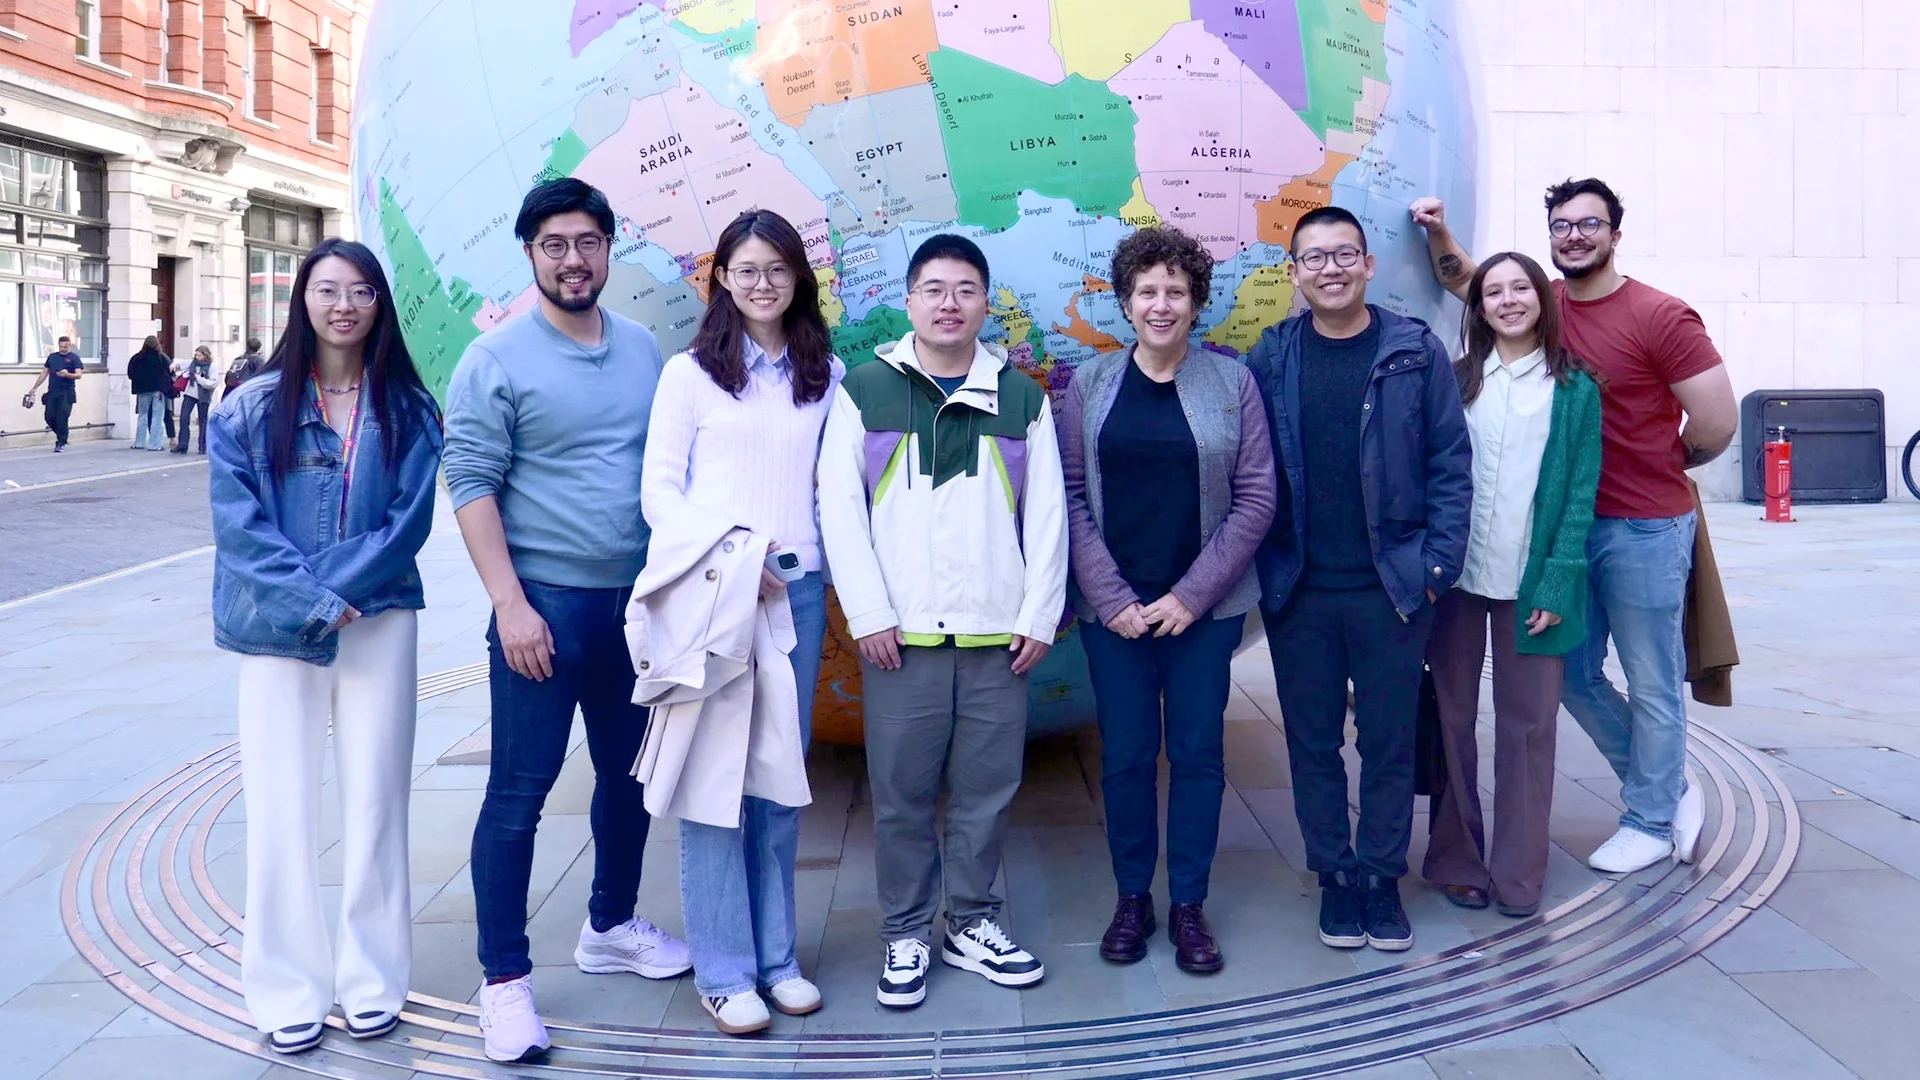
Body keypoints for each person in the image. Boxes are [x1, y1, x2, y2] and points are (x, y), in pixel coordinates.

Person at [1411, 179, 1738, 873]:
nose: (1575, 236)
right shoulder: (1544, 303)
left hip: (1642, 525)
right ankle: (1668, 785)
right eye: (1561, 225)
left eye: (1590, 224)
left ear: (1616, 233)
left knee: (1652, 676)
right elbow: (1471, 281)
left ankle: (1651, 817)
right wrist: (1438, 234)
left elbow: (1716, 423)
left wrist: (1664, 460)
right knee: (1576, 676)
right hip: (1562, 529)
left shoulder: (1661, 315)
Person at [444, 178, 690, 1064]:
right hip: (542, 611)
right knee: (520, 793)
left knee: (628, 783)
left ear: (608, 249)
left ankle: (611, 925)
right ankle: (504, 982)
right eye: (555, 244)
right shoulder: (496, 360)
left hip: (633, 611)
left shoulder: (641, 350)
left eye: (588, 242)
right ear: (529, 253)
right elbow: (469, 482)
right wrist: (510, 605)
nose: (574, 259)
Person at [817, 233, 1068, 1010]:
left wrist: (1038, 616)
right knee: (899, 795)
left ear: (984, 303)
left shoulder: (1022, 398)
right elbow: (839, 512)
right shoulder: (864, 390)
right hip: (902, 641)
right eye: (933, 288)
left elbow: (1050, 516)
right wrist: (868, 615)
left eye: (964, 289)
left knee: (987, 791)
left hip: (998, 637)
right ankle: (904, 931)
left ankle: (971, 923)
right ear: (909, 299)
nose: (949, 303)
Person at [207, 239, 443, 1056]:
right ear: (302, 299)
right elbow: (239, 531)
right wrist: (312, 599)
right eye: (328, 289)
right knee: (279, 808)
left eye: (361, 291)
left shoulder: (410, 409)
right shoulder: (247, 407)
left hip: (379, 622)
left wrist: (340, 592)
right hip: (273, 629)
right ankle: (285, 986)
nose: (344, 305)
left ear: (379, 304)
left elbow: (407, 522)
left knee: (377, 801)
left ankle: (374, 979)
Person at [632, 209, 843, 1034]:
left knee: (780, 789)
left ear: (798, 278)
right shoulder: (691, 375)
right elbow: (659, 493)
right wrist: (735, 557)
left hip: (799, 595)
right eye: (746, 269)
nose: (763, 283)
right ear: (720, 277)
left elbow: (829, 491)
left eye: (778, 269)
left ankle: (778, 959)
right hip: (718, 599)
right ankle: (724, 971)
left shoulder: (822, 371)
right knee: (715, 787)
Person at [1244, 206, 1472, 954]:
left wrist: (1436, 569)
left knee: (1388, 741)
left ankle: (1380, 876)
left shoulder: (1413, 350)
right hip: (1301, 588)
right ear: (1294, 273)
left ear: (1369, 265)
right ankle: (1335, 879)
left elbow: (1450, 463)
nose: (1331, 269)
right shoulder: (1272, 356)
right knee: (1311, 742)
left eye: (1345, 254)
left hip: (1393, 588)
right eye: (1314, 258)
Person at [1058, 226, 1275, 974]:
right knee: (1124, 758)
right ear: (1125, 302)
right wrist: (1112, 596)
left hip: (1203, 614)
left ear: (1196, 302)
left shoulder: (1233, 384)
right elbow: (1069, 495)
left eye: (1175, 291)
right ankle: (1131, 898)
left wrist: (1190, 595)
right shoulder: (1089, 385)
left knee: (1196, 756)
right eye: (1146, 291)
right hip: (1112, 614)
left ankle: (1187, 903)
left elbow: (1256, 499)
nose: (1161, 304)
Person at [1423, 252, 1601, 918]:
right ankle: (1458, 860)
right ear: (1478, 308)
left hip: (1534, 585)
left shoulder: (1575, 388)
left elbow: (1581, 491)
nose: (1506, 300)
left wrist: (1558, 583)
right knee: (1452, 719)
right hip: (1459, 579)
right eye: (1492, 291)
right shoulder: (1457, 379)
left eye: (1519, 288)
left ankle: (1519, 872)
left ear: (1541, 299)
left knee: (1528, 729)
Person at [23, 336, 83, 452]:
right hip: (53, 391)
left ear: (69, 345)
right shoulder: (53, 357)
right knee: (49, 416)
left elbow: (79, 375)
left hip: (66, 392)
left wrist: (67, 374)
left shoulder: (74, 358)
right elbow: (44, 373)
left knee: (62, 417)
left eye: (65, 346)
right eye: (61, 346)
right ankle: (63, 434)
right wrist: (34, 388)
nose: (63, 349)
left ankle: (60, 442)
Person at [127, 336, 173, 451]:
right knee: (157, 417)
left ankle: (139, 443)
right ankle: (154, 444)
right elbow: (170, 372)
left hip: (142, 390)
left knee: (142, 416)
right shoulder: (161, 358)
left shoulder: (137, 357)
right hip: (158, 390)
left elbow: (130, 374)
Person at [173, 345, 218, 453]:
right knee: (184, 418)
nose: (197, 357)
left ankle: (202, 446)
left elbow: (213, 382)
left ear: (205, 355)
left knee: (202, 420)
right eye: (196, 354)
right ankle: (182, 445)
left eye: (199, 355)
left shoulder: (211, 367)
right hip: (190, 393)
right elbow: (179, 363)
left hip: (204, 395)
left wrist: (200, 379)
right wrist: (174, 365)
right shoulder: (192, 363)